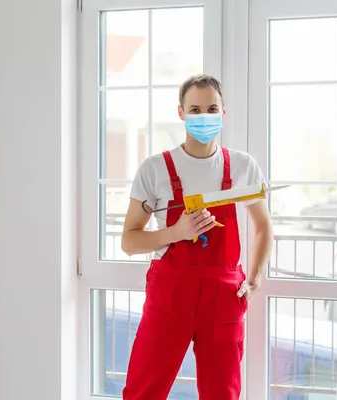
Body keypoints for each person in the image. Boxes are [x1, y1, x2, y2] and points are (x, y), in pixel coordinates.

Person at [120, 74, 273, 399]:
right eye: (195, 109)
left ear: (223, 112)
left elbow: (264, 225)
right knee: (143, 391)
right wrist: (176, 232)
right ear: (181, 113)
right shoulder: (155, 169)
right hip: (170, 296)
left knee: (222, 393)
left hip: (224, 299)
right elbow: (129, 241)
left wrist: (255, 278)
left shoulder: (243, 167)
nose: (204, 117)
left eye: (211, 108)